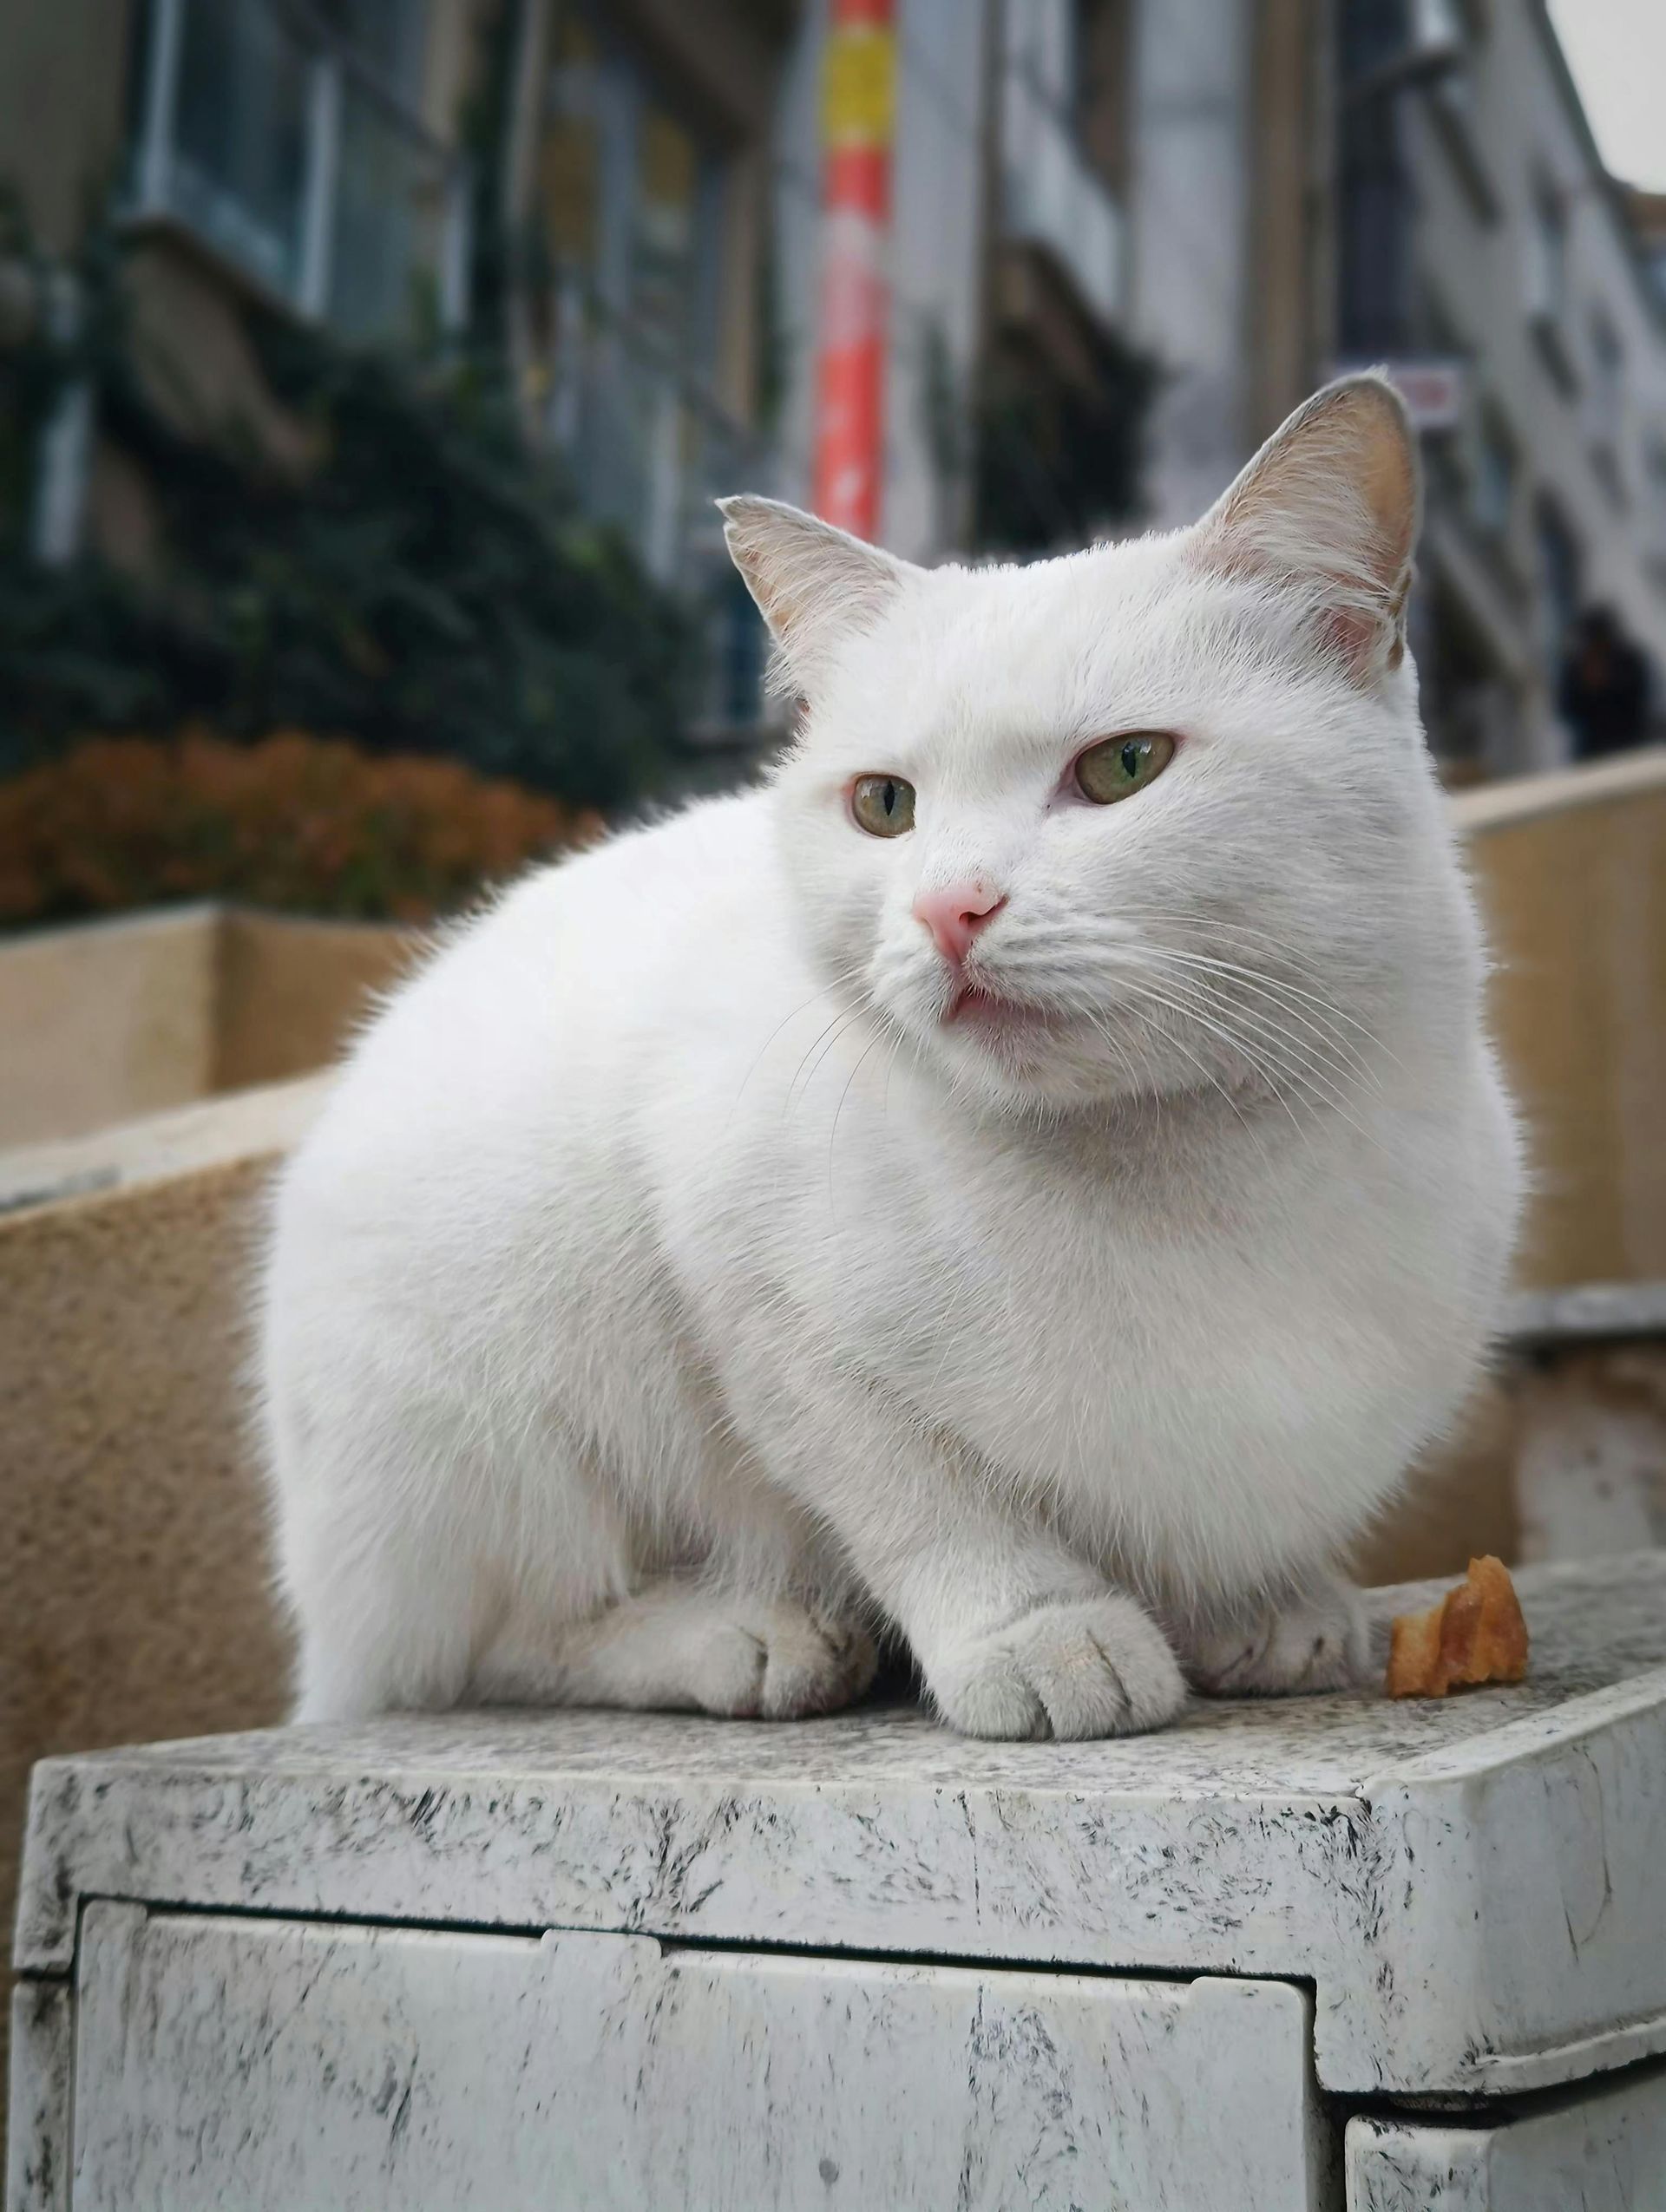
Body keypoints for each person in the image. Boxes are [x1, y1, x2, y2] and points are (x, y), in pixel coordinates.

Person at [1558, 605, 1651, 760]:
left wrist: (1607, 684)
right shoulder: (1577, 667)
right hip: (1593, 749)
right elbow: (1567, 708)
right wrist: (1588, 688)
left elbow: (1638, 700)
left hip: (1630, 743)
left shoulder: (1629, 661)